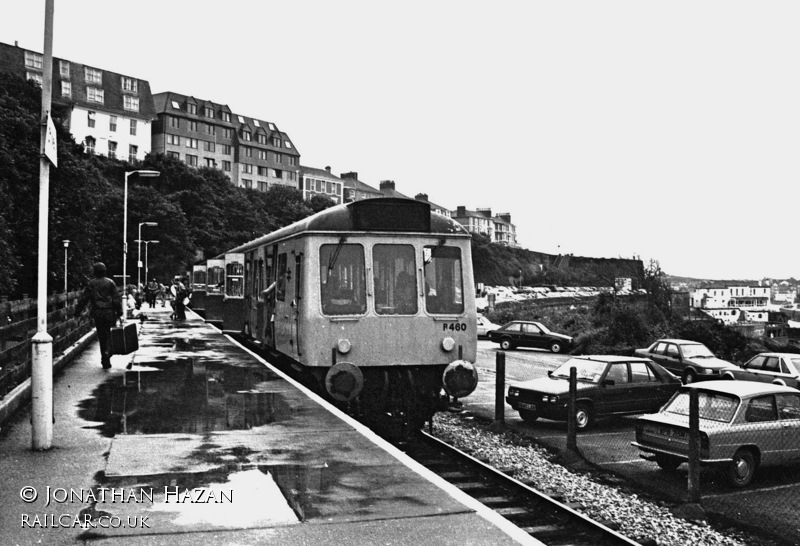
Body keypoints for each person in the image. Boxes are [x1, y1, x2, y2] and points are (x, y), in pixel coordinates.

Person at [74, 262, 123, 369]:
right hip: (110, 312)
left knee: (101, 336)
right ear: (105, 271)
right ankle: (108, 352)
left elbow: (84, 298)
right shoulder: (110, 283)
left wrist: (77, 311)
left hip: (98, 313)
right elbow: (116, 299)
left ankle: (104, 359)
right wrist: (119, 312)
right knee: (110, 334)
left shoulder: (91, 284)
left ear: (94, 272)